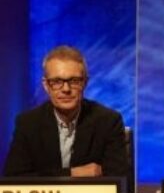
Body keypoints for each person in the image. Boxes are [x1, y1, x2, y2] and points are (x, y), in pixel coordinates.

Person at [3, 45, 128, 178]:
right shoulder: (28, 123)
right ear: (46, 85)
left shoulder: (109, 122)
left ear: (85, 83)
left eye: (74, 81)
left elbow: (119, 179)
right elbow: (14, 178)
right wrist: (72, 173)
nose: (66, 89)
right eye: (57, 81)